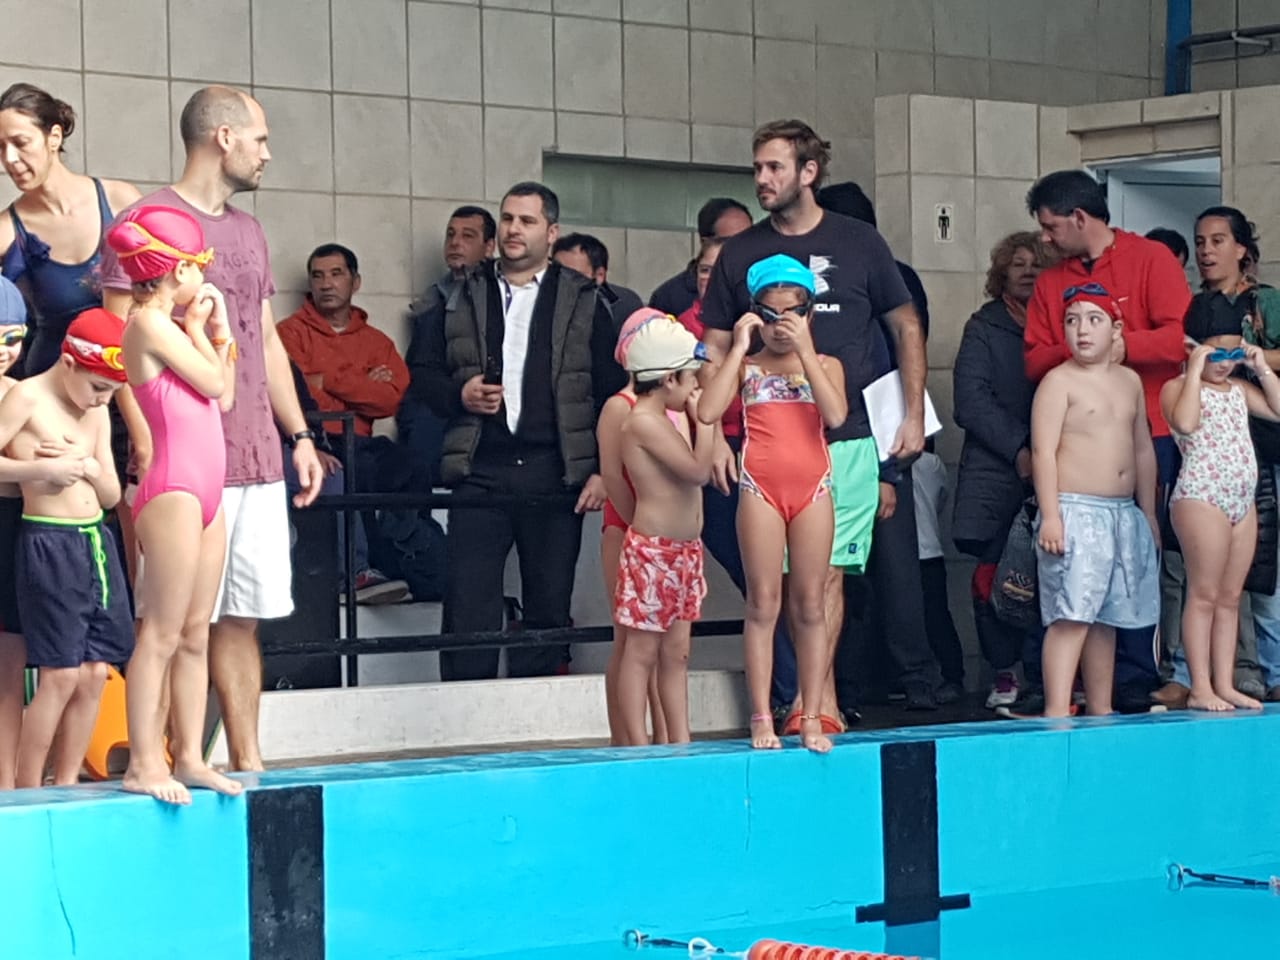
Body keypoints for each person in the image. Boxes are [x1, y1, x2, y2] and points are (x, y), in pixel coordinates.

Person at [101, 85, 324, 773]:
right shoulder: (146, 222)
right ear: (223, 137)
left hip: (255, 452)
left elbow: (265, 340)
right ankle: (157, 758)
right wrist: (144, 442)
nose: (267, 153)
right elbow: (117, 344)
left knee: (238, 616)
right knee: (167, 622)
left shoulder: (250, 231)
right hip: (182, 457)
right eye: (260, 138)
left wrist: (299, 434)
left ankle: (245, 760)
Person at [700, 119, 935, 718]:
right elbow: (714, 344)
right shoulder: (741, 251)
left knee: (828, 576)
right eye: (757, 167)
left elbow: (905, 325)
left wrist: (912, 415)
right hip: (768, 441)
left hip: (846, 434)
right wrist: (711, 435)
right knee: (776, 586)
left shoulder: (860, 242)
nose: (762, 179)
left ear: (809, 172)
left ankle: (814, 700)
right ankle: (803, 699)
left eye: (774, 167)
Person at [419, 181, 626, 681]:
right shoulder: (458, 292)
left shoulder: (583, 298)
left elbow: (611, 389)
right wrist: (460, 394)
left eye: (527, 221)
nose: (514, 229)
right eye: (508, 218)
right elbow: (420, 373)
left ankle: (537, 718)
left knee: (548, 605)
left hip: (554, 471)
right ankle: (464, 713)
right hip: (479, 468)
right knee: (467, 606)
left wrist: (603, 470)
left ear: (551, 233)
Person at [1024, 169, 1188, 713]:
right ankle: (1058, 703)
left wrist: (1122, 348)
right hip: (1076, 478)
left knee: (1124, 593)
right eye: (1074, 320)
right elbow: (1035, 357)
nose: (1044, 238)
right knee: (1074, 603)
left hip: (1149, 431)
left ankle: (1126, 689)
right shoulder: (1051, 285)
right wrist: (1085, 354)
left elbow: (1177, 339)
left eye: (1051, 227)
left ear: (1079, 217)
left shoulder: (1151, 259)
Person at [106, 206, 241, 803]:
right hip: (173, 490)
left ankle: (188, 756)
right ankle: (143, 763)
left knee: (194, 633)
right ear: (179, 269)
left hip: (206, 491)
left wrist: (219, 330)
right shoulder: (146, 325)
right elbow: (211, 383)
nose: (203, 280)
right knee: (160, 632)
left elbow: (225, 395)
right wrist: (203, 329)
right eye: (199, 267)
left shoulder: (175, 329)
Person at [700, 254, 847, 752]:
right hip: (760, 488)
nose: (781, 326)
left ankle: (812, 716)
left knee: (810, 604)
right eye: (771, 314)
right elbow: (708, 410)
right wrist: (738, 346)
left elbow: (836, 415)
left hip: (813, 489)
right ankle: (761, 716)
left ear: (810, 313)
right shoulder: (748, 368)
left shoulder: (827, 365)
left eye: (793, 313)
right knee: (763, 603)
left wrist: (806, 350)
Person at [0, 82, 143, 581]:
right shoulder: (8, 227)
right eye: (0, 148)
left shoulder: (119, 199)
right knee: (64, 519)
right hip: (55, 391)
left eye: (20, 143)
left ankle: (126, 628)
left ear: (55, 136)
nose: (9, 160)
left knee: (134, 516)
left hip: (128, 384)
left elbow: (162, 296)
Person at [0, 309, 133, 787]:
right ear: (70, 362)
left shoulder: (96, 410)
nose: (103, 400)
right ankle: (28, 786)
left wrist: (89, 466)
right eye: (98, 387)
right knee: (60, 673)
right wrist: (41, 471)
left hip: (95, 540)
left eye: (112, 392)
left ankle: (67, 781)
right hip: (48, 541)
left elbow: (112, 495)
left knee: (95, 671)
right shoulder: (26, 396)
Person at [1155, 207, 1279, 708]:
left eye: (1231, 355)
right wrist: (1193, 369)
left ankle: (1225, 682)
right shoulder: (1178, 388)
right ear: (1195, 349)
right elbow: (1184, 423)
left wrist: (1258, 366)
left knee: (1230, 597)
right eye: (1217, 355)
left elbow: (1278, 410)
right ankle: (1200, 685)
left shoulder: (1237, 389)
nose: (1224, 365)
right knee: (1202, 594)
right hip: (1201, 496)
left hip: (1240, 498)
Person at [1031, 286, 1160, 718]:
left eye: (1093, 320)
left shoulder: (1129, 382)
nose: (1082, 330)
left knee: (1107, 616)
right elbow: (1043, 452)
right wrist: (1051, 516)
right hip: (1074, 510)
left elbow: (1142, 448)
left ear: (1116, 328)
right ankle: (1056, 709)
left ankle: (1101, 709)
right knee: (1072, 614)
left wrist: (1147, 512)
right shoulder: (1058, 382)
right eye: (1072, 321)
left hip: (1121, 513)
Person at [278, 242, 424, 600]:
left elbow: (388, 400)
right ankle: (358, 574)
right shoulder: (288, 332)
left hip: (361, 441)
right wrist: (360, 382)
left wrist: (326, 379)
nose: (326, 284)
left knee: (411, 466)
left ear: (355, 282)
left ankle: (407, 567)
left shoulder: (376, 341)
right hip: (312, 438)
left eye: (336, 274)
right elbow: (295, 394)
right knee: (345, 473)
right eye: (318, 276)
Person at [953, 232, 1049, 711]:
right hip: (996, 473)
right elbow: (970, 401)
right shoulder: (983, 327)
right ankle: (1005, 671)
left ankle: (1050, 675)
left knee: (1053, 574)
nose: (1028, 271)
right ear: (1001, 274)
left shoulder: (1062, 323)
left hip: (1057, 468)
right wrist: (1020, 449)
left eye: (1037, 263)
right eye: (1018, 264)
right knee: (993, 578)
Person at [614, 318, 713, 746]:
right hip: (654, 552)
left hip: (683, 550)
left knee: (677, 652)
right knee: (641, 652)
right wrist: (706, 422)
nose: (696, 388)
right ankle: (638, 744)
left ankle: (680, 740)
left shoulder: (665, 419)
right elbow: (697, 470)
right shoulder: (642, 422)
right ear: (669, 378)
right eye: (691, 378)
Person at [598, 308, 681, 745]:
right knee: (630, 640)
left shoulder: (670, 405)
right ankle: (627, 738)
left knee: (666, 646)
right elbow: (613, 477)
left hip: (661, 534)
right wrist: (637, 525)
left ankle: (666, 735)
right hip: (629, 527)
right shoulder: (620, 407)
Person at [400, 206, 496, 486]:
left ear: (489, 247)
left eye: (468, 236)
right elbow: (421, 367)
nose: (455, 243)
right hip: (443, 402)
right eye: (451, 235)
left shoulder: (498, 294)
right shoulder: (436, 297)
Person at [0, 276, 28, 790]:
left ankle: (7, 782)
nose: (4, 350)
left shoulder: (25, 395)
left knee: (9, 664)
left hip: (13, 527)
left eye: (13, 337)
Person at [649, 198, 753, 318]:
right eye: (733, 242)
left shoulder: (759, 286)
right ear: (706, 243)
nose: (743, 248)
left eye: (749, 239)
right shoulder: (668, 298)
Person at [552, 232, 643, 330]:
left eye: (572, 275)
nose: (561, 280)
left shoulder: (625, 306)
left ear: (599, 275)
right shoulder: (544, 299)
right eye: (555, 272)